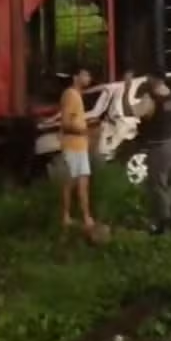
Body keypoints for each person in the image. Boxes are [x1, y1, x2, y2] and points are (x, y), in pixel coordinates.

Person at [122, 68, 171, 235]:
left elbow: (128, 111)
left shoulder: (150, 98)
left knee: (158, 186)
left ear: (155, 79)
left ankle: (164, 224)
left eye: (149, 77)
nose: (146, 80)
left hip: (158, 149)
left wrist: (127, 88)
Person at [60, 65, 104, 237]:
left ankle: (86, 217)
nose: (88, 79)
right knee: (70, 183)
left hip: (80, 146)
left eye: (89, 75)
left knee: (83, 183)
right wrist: (85, 131)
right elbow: (66, 123)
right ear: (75, 77)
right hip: (72, 146)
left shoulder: (77, 95)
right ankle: (66, 217)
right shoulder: (70, 95)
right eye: (85, 75)